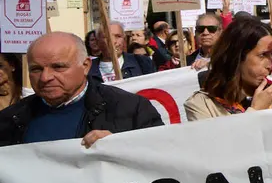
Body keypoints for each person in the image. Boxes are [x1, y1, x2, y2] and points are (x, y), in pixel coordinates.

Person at [0, 32, 164, 147]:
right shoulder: (10, 120)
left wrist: (123, 147)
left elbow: (163, 157)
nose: (45, 77)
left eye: (58, 67)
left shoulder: (131, 109)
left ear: (85, 66)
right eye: (36, 69)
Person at [184, 16, 272, 120]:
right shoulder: (201, 105)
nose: (270, 64)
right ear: (236, 58)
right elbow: (217, 145)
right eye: (263, 55)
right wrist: (256, 111)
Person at [88, 22, 156, 82]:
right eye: (106, 37)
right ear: (97, 41)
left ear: (124, 39)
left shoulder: (142, 62)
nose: (113, 41)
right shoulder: (87, 69)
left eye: (118, 36)